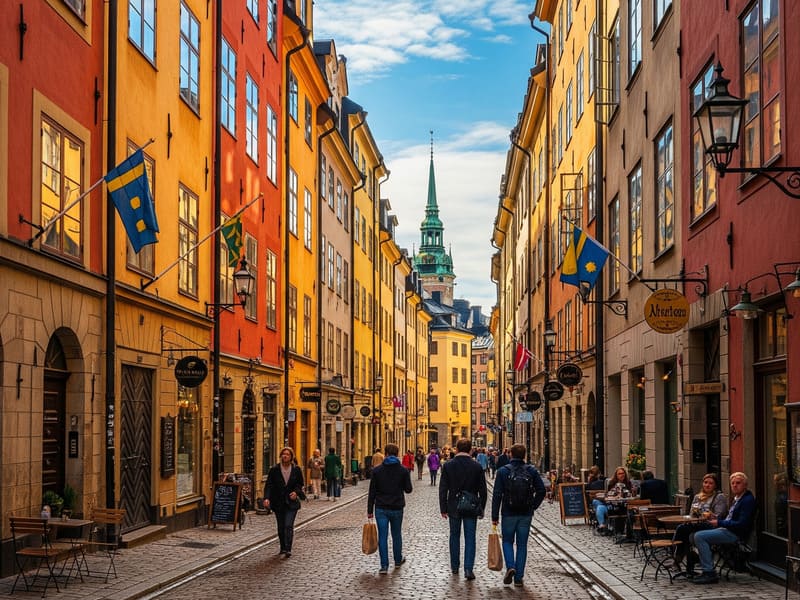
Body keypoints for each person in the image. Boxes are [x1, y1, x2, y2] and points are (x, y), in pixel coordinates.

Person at [491, 443, 546, 587]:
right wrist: (533, 506)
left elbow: (497, 494)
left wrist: (494, 516)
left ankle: (510, 566)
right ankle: (519, 578)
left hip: (508, 512)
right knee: (522, 545)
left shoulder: (503, 471)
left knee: (507, 541)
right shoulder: (532, 471)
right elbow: (541, 491)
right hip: (525, 514)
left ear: (510, 454)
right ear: (525, 455)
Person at [690, 472, 756, 585]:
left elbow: (741, 524)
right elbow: (730, 518)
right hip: (727, 529)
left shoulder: (747, 500)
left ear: (745, 485)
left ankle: (709, 572)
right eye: (733, 483)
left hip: (735, 534)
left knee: (699, 536)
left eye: (738, 483)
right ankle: (704, 564)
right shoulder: (737, 498)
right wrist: (715, 517)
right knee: (692, 535)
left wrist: (719, 522)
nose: (735, 485)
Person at [439, 438, 487, 581]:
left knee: (454, 536)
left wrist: (443, 507)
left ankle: (455, 566)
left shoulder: (448, 465)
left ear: (457, 450)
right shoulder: (477, 466)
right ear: (470, 450)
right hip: (471, 507)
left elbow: (443, 489)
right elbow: (483, 491)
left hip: (453, 505)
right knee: (470, 537)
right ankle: (468, 569)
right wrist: (481, 508)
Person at [367, 443, 413, 574]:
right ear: (397, 454)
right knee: (396, 534)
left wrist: (370, 510)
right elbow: (408, 490)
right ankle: (398, 560)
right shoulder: (403, 470)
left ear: (385, 454)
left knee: (383, 536)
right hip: (397, 507)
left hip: (381, 507)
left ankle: (384, 566)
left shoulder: (376, 471)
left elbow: (372, 492)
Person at [673, 473, 728, 570]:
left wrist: (706, 514)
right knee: (682, 529)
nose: (707, 485)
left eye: (710, 483)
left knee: (683, 530)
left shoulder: (719, 497)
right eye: (705, 482)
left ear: (715, 485)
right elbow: (691, 513)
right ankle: (684, 560)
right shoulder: (697, 497)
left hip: (711, 525)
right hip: (697, 524)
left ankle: (679, 558)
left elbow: (719, 515)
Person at [263, 446, 306, 557]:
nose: (285, 456)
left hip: (291, 503)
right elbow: (269, 485)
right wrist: (266, 498)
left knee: (288, 525)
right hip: (278, 502)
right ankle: (282, 547)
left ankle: (288, 548)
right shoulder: (274, 469)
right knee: (281, 527)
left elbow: (300, 484)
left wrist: (296, 492)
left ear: (291, 456)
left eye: (287, 454)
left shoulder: (296, 469)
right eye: (283, 454)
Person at [592, 466, 633, 533]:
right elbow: (608, 494)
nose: (622, 475)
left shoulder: (628, 483)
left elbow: (630, 494)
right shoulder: (612, 483)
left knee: (597, 503)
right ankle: (602, 525)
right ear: (616, 475)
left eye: (623, 473)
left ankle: (606, 525)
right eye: (619, 474)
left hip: (624, 505)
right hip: (612, 505)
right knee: (599, 506)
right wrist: (614, 495)